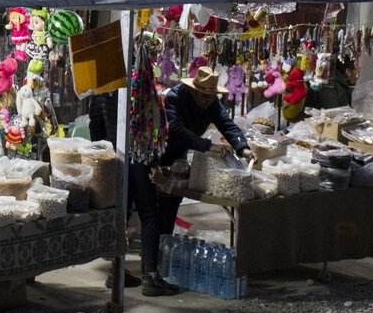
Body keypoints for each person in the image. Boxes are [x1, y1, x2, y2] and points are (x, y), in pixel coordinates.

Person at [135, 66, 254, 296]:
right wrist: (208, 146)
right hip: (154, 155)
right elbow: (176, 130)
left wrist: (243, 147)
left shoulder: (212, 104)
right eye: (206, 97)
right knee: (151, 214)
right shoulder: (174, 98)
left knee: (169, 210)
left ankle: (160, 264)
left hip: (177, 159)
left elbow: (227, 125)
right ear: (194, 92)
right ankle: (149, 271)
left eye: (213, 97)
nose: (210, 101)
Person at [87, 91, 143, 289]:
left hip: (110, 158)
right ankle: (116, 270)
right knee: (122, 212)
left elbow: (95, 125)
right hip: (126, 157)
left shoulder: (101, 91)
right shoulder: (124, 90)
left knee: (118, 212)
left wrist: (101, 154)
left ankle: (116, 266)